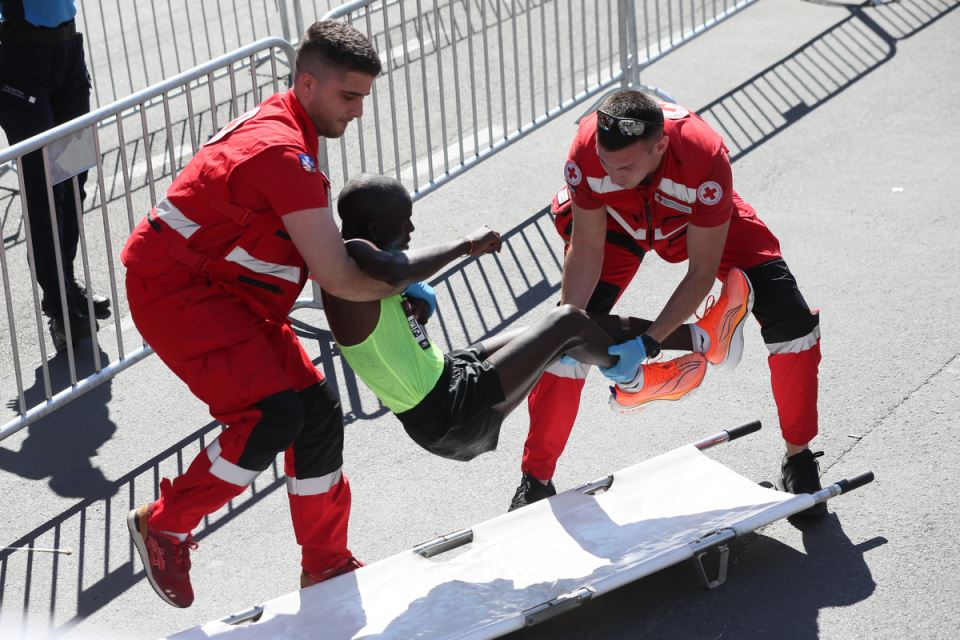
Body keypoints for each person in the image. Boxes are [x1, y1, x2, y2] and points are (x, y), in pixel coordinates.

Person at [120, 21, 403, 609]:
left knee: (318, 414)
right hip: (177, 292)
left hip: (223, 292)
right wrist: (404, 286)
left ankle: (325, 565)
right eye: (348, 96)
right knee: (268, 418)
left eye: (362, 98)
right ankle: (164, 524)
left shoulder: (291, 124)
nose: (356, 112)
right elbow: (336, 276)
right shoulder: (282, 151)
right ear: (306, 82)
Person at [514, 90, 825, 519]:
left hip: (692, 224)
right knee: (563, 340)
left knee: (791, 320)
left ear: (659, 147)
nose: (611, 172)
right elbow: (585, 246)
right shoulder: (587, 151)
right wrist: (569, 325)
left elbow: (701, 270)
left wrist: (648, 344)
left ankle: (799, 458)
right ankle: (535, 480)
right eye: (605, 163)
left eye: (624, 166)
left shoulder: (705, 156)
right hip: (617, 225)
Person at [322, 174, 717, 462]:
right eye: (403, 221)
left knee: (564, 327)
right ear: (373, 228)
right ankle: (631, 379)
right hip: (450, 409)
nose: (411, 228)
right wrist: (465, 245)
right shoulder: (355, 253)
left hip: (448, 380)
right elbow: (396, 270)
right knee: (566, 324)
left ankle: (700, 337)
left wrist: (412, 309)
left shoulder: (360, 273)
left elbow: (392, 307)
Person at [0, 0, 110, 351]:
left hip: (67, 52)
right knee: (45, 190)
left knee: (74, 179)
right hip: (21, 60)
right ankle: (58, 303)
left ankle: (66, 283)